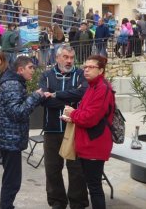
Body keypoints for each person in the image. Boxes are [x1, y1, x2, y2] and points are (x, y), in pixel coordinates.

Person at [61, 55, 114, 209]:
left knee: (94, 187)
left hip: (95, 143)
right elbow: (86, 113)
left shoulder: (102, 88)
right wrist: (73, 117)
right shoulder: (92, 86)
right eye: (85, 67)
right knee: (91, 185)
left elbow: (91, 118)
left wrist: (73, 113)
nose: (86, 70)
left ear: (101, 70)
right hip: (87, 142)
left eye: (91, 67)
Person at [39, 45, 89, 209]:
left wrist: (55, 94)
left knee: (76, 169)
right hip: (52, 129)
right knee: (52, 168)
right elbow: (44, 101)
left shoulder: (80, 74)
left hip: (75, 129)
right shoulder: (46, 76)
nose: (69, 61)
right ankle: (57, 202)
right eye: (65, 57)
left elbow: (84, 93)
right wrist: (71, 96)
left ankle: (78, 202)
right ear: (57, 58)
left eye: (71, 58)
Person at [0, 56, 45, 209]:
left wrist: (34, 97)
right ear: (20, 69)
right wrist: (35, 96)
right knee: (12, 181)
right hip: (10, 140)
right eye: (30, 67)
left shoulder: (14, 83)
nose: (33, 71)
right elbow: (18, 112)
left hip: (9, 138)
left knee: (10, 178)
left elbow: (16, 106)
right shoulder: (13, 84)